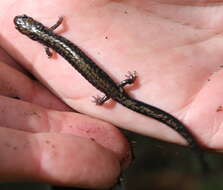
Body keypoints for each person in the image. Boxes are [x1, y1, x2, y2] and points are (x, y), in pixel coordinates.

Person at [0, 0, 222, 189]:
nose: (25, 23)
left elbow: (50, 52)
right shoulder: (50, 36)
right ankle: (199, 156)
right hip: (114, 91)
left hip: (113, 93)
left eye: (26, 23)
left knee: (121, 97)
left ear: (34, 33)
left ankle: (199, 156)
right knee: (126, 98)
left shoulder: (48, 44)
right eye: (25, 25)